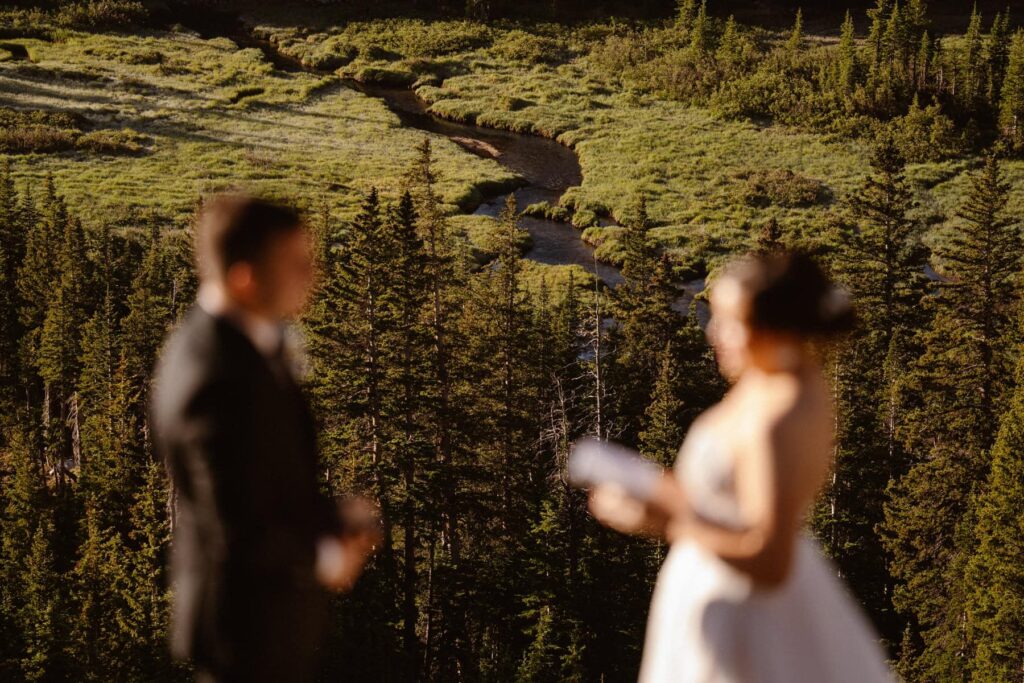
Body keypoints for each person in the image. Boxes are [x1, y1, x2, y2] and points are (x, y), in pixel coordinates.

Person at [588, 249, 896, 683]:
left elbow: (770, 561)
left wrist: (667, 519)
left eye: (731, 322)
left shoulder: (774, 416)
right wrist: (667, 492)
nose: (714, 333)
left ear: (774, 329)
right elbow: (742, 495)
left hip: (741, 616)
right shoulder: (793, 383)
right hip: (750, 596)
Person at [150, 194, 380, 683]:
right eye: (296, 263)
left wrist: (334, 518)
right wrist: (327, 555)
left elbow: (263, 483)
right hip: (243, 634)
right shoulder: (212, 379)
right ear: (244, 278)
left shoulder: (239, 343)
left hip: (267, 629)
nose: (312, 273)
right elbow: (237, 526)